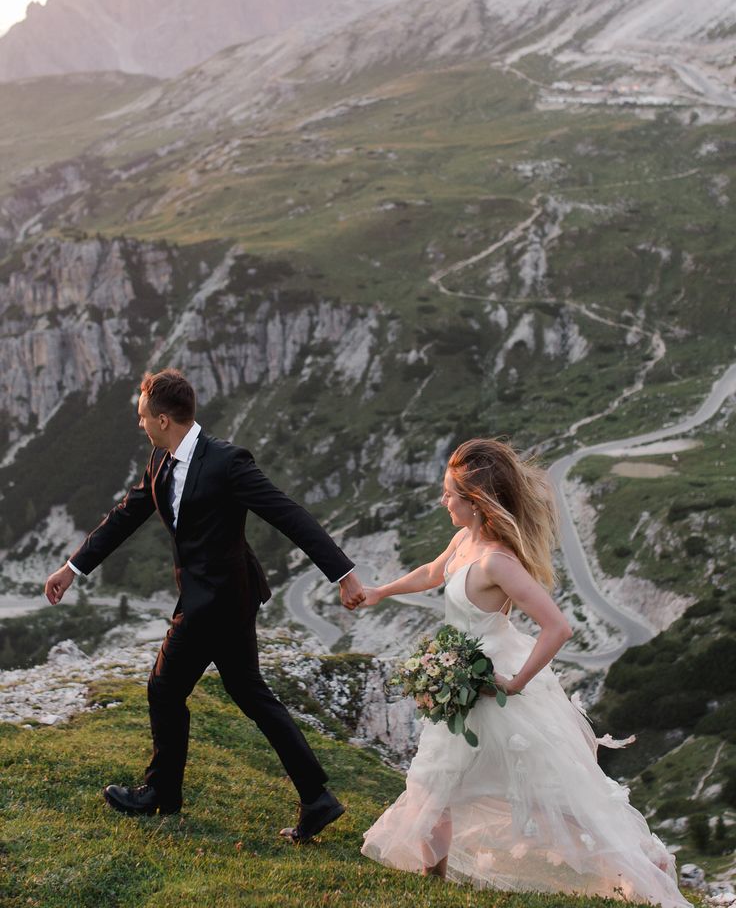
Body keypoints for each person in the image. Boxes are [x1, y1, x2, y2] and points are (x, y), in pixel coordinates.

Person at [360, 438, 689, 908]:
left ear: (474, 503)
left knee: (550, 792)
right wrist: (380, 591)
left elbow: (558, 627)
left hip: (494, 685)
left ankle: (642, 862)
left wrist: (516, 683)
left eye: (450, 494)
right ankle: (432, 882)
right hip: (463, 682)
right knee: (436, 781)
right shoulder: (463, 541)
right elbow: (433, 571)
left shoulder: (498, 560)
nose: (443, 501)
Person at [44, 368, 365, 843]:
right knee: (250, 693)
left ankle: (160, 793)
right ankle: (317, 797)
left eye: (142, 417)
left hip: (219, 601)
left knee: (164, 686)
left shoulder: (227, 462)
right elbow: (127, 514)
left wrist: (343, 573)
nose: (139, 424)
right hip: (215, 597)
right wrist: (73, 568)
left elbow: (288, 513)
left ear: (165, 418)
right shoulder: (161, 458)